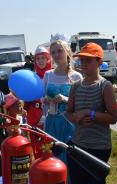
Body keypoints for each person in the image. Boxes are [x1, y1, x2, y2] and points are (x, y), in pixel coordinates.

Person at [65, 42, 117, 184]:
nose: (84, 64)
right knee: (77, 181)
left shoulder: (105, 86)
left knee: (96, 182)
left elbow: (113, 117)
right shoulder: (76, 86)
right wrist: (77, 119)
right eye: (82, 60)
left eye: (88, 60)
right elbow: (68, 112)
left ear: (99, 61)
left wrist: (90, 113)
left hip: (99, 145)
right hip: (78, 143)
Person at [43, 34, 82, 163]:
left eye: (60, 51)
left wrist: (65, 99)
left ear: (67, 52)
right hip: (52, 122)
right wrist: (47, 100)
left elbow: (81, 102)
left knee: (70, 158)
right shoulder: (48, 75)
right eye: (53, 52)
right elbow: (42, 100)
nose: (56, 54)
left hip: (70, 123)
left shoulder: (76, 77)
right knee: (53, 157)